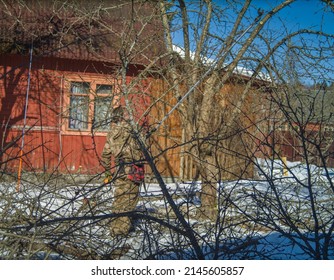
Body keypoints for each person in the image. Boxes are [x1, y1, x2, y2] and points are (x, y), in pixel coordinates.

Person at [101, 106, 145, 237]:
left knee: (119, 198)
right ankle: (122, 231)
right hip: (134, 168)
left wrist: (108, 173)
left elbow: (105, 155)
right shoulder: (133, 130)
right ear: (122, 116)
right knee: (130, 199)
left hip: (120, 169)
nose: (130, 115)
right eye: (127, 113)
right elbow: (144, 149)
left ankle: (115, 226)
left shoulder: (111, 133)